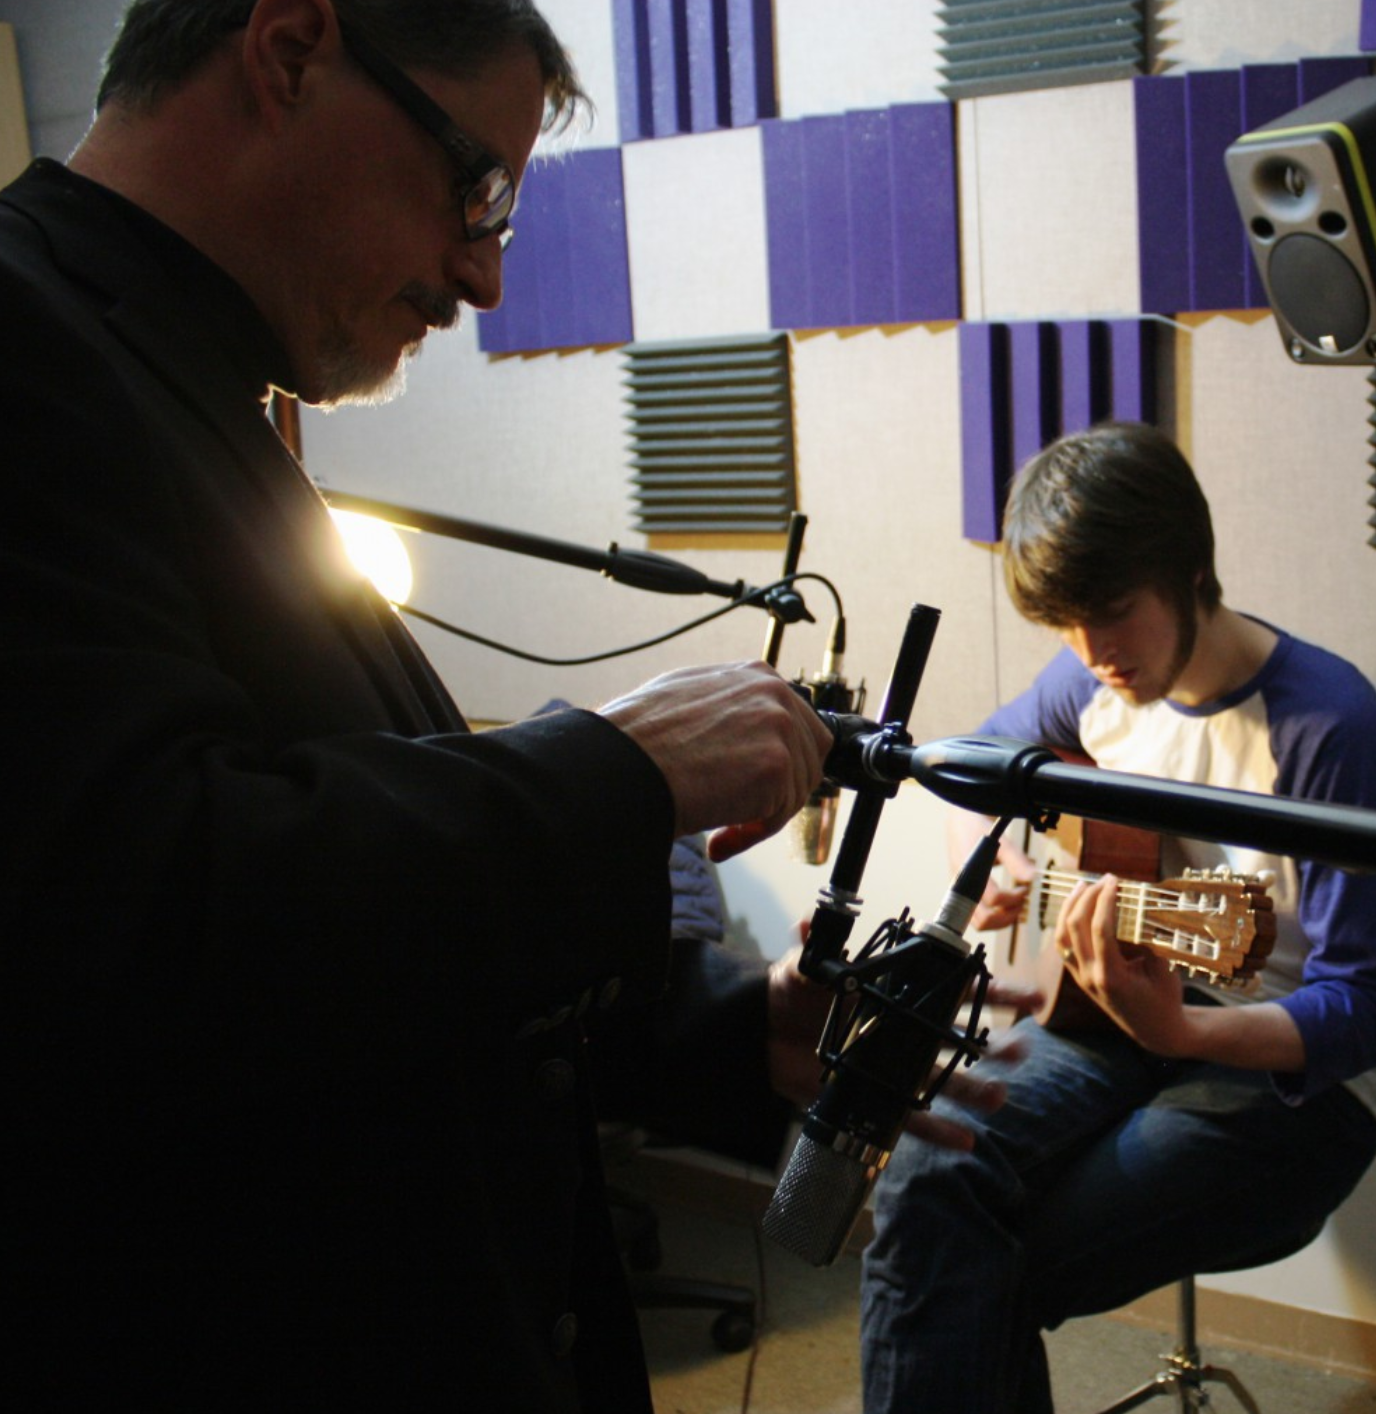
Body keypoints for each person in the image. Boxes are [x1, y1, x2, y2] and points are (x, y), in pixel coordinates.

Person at [0, 1, 1020, 1406]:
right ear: (291, 51)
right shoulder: (31, 338)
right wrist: (613, 768)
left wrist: (722, 1036)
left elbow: (350, 960)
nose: (481, 273)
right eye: (473, 184)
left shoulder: (191, 384)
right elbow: (138, 899)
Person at [859, 421, 1376, 1413]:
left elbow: (1359, 1008)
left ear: (1188, 570)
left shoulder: (1328, 726)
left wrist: (1180, 1029)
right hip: (1118, 1020)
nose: (1091, 650)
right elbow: (976, 760)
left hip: (1295, 1090)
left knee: (991, 1258)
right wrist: (1002, 850)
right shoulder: (1089, 680)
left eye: (1110, 612)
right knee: (927, 1177)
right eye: (1064, 622)